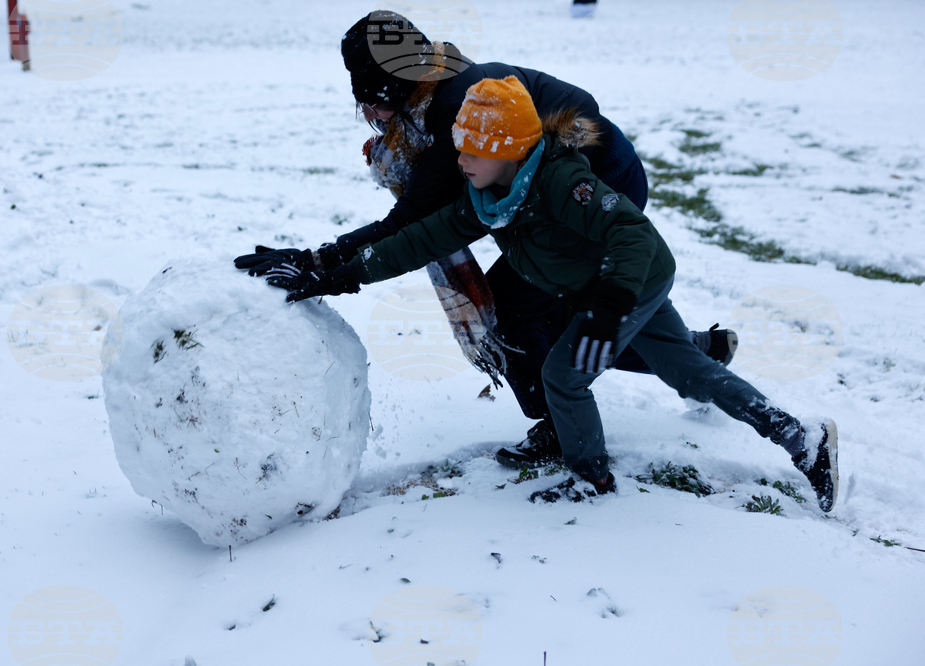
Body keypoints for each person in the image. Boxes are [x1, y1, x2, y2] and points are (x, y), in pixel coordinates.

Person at [256, 76, 840, 512]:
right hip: (601, 284)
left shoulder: (565, 181)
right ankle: (801, 437)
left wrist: (610, 307)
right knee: (688, 373)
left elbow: (633, 235)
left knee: (564, 374)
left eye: (470, 150)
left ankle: (591, 478)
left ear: (508, 149)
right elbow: (416, 239)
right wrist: (333, 274)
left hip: (629, 277)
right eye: (458, 147)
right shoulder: (486, 197)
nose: (458, 160)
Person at [236, 11, 736, 472]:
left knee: (521, 315)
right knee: (557, 316)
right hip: (554, 197)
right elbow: (421, 224)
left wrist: (322, 261)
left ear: (397, 85)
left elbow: (410, 222)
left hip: (598, 190)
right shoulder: (434, 88)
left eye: (374, 101)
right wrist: (328, 262)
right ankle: (697, 352)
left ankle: (569, 424)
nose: (372, 114)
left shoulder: (449, 112)